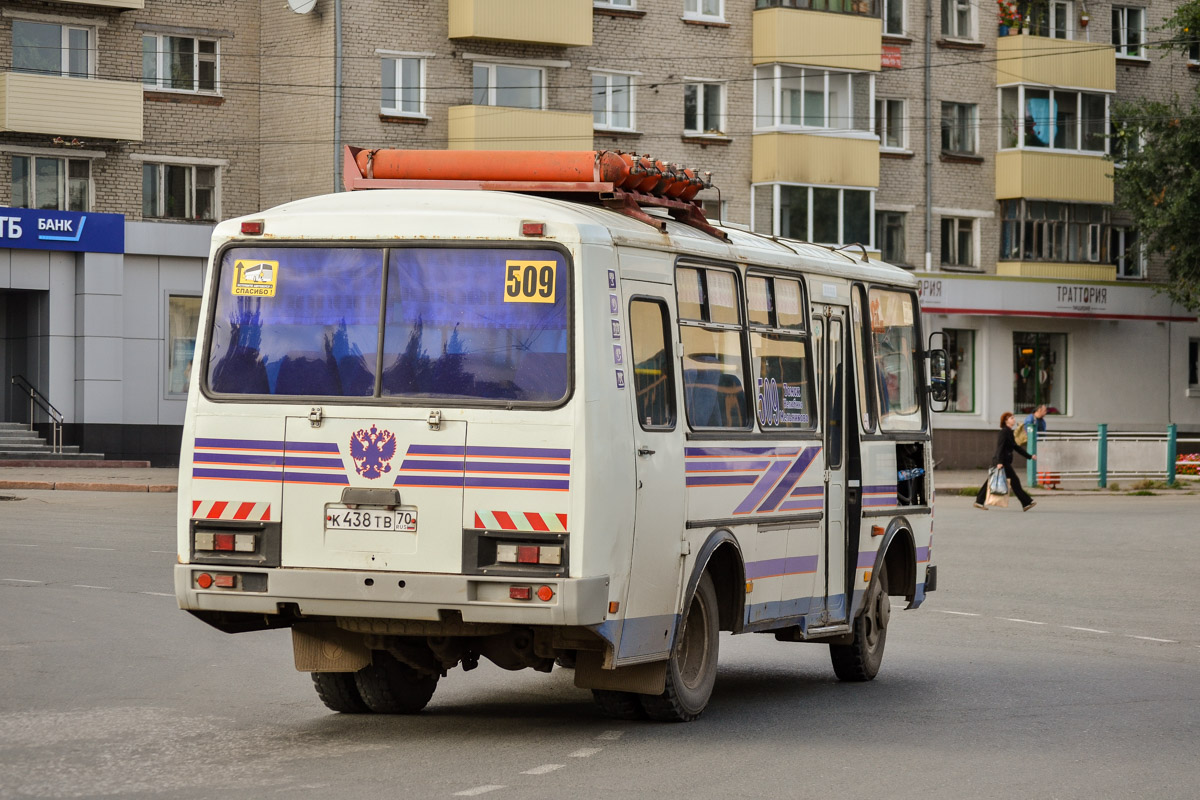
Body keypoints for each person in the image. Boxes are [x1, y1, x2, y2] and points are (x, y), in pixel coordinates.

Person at [975, 411, 1037, 511]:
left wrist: (1029, 456)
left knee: (991, 481)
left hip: (1003, 462)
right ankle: (1026, 502)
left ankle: (979, 501)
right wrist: (999, 462)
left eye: (1013, 417)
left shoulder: (1009, 432)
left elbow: (1016, 447)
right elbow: (1000, 447)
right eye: (1011, 418)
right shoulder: (1004, 432)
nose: (1014, 419)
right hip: (1002, 462)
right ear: (1006, 420)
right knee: (1014, 481)